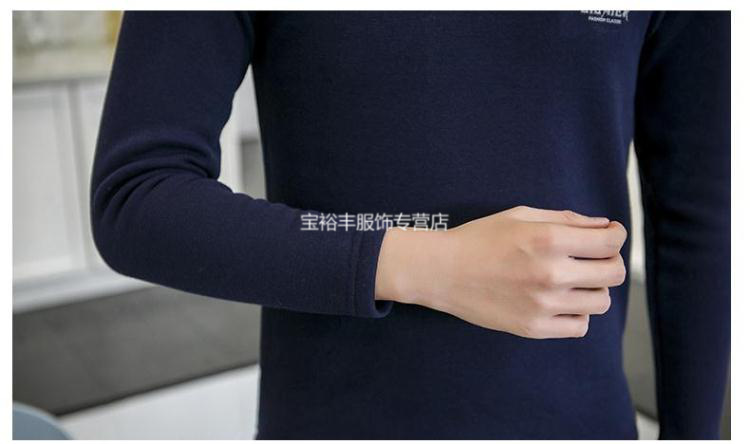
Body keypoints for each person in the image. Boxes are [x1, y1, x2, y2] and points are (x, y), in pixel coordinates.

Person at [91, 11, 730, 439]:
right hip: (336, 421)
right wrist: (429, 267)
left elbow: (697, 211)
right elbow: (138, 196)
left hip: (579, 421)